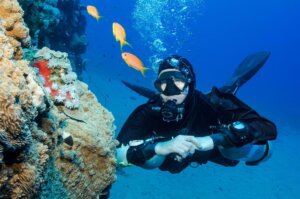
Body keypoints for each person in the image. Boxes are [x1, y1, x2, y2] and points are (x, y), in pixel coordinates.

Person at [116, 55, 277, 173]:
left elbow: (268, 128)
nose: (171, 92)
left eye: (178, 83)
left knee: (248, 150)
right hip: (168, 158)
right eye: (164, 84)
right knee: (152, 159)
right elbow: (114, 155)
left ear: (190, 85)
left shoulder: (211, 103)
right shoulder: (149, 112)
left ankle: (231, 86)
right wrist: (158, 147)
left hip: (211, 148)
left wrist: (215, 139)